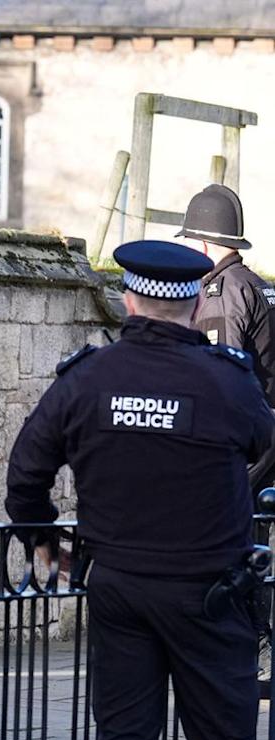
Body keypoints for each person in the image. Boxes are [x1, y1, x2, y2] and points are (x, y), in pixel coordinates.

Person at [6, 239, 275, 740]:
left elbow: (27, 470)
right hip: (210, 593)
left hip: (119, 588)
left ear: (128, 299)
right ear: (191, 305)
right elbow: (262, 442)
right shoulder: (227, 382)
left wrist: (44, 543)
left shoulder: (88, 379)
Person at [179, 183, 275, 685]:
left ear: (200, 244)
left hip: (248, 436)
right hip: (267, 429)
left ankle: (253, 648)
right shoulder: (258, 284)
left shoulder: (221, 292)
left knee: (237, 535)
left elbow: (225, 371)